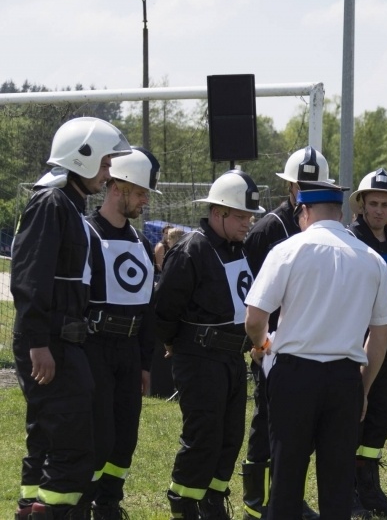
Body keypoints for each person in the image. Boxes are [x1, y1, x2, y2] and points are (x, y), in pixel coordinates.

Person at [244, 180, 387, 520]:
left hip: (294, 374)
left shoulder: (288, 250)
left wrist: (262, 347)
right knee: (338, 484)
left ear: (304, 211)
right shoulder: (371, 258)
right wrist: (364, 386)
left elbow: (255, 318)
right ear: (340, 212)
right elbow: (381, 333)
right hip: (345, 378)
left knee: (286, 477)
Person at [10, 117, 131, 520]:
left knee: (47, 440)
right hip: (53, 344)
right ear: (84, 157)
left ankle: (31, 509)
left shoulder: (66, 204)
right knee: (75, 447)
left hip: (64, 341)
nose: (110, 171)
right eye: (106, 162)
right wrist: (37, 343)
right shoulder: (51, 203)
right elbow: (30, 279)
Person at [155, 169, 265, 520]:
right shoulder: (191, 251)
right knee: (203, 437)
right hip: (200, 357)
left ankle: (214, 502)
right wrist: (176, 344)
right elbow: (165, 309)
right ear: (219, 212)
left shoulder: (239, 249)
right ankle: (184, 505)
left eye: (250, 216)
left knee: (229, 438)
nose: (248, 222)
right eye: (242, 215)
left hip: (232, 359)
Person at [241, 146, 333, 520]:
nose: (305, 191)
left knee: (297, 430)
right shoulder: (268, 229)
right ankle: (256, 502)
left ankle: (287, 497)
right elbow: (249, 292)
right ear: (290, 186)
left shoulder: (320, 229)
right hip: (270, 342)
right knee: (266, 423)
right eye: (301, 184)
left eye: (313, 184)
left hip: (305, 343)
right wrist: (258, 343)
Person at [83, 147, 161, 517]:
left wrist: (145, 363)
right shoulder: (85, 235)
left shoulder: (143, 245)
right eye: (141, 192)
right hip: (94, 347)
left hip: (129, 352)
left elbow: (149, 310)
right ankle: (85, 498)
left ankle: (109, 502)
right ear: (118, 187)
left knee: (125, 434)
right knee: (99, 435)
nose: (145, 200)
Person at [347, 169, 387, 518]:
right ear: (361, 204)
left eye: (385, 204)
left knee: (381, 413)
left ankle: (370, 489)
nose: (379, 211)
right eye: (373, 204)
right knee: (354, 414)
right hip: (356, 340)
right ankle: (348, 492)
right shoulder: (350, 240)